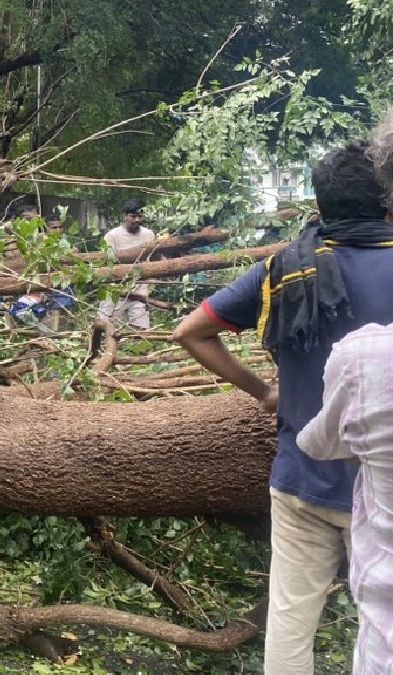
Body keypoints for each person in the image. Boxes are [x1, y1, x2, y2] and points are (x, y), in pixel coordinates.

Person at [173, 141, 393, 674]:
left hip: (301, 480)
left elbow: (191, 330)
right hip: (385, 492)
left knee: (290, 627)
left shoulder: (284, 267)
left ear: (319, 208)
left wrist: (263, 392)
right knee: (382, 626)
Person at [297, 323, 393, 672]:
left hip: (304, 484)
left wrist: (264, 393)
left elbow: (318, 443)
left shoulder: (365, 352)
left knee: (292, 609)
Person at [98, 199, 156, 330]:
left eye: (139, 216)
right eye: (133, 216)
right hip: (115, 291)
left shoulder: (149, 235)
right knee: (104, 327)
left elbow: (154, 260)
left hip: (139, 291)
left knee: (141, 330)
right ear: (125, 216)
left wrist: (151, 283)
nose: (136, 219)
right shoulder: (112, 236)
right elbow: (106, 264)